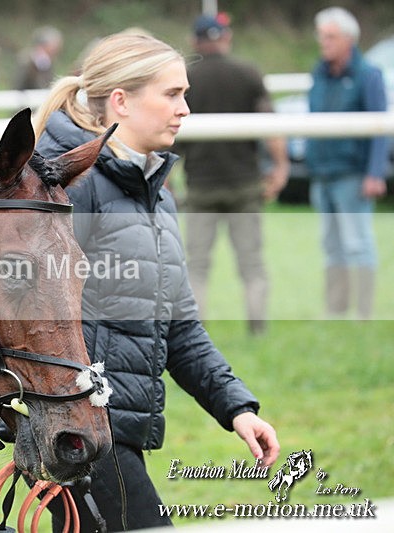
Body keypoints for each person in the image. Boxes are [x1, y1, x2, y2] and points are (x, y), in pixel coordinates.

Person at [32, 32, 280, 531]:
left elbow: (180, 328)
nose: (184, 108)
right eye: (172, 94)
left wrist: (236, 408)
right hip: (82, 433)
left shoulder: (158, 197)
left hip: (114, 430)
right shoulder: (69, 189)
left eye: (184, 94)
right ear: (121, 101)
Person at [177, 13, 290, 335]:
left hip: (200, 186)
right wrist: (281, 167)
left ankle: (195, 334)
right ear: (226, 38)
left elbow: (170, 136)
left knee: (197, 266)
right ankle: (258, 330)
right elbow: (272, 126)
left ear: (194, 41)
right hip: (245, 185)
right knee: (252, 264)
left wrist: (168, 178)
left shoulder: (185, 78)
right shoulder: (248, 73)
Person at [305, 6, 389, 320]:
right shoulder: (319, 72)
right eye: (321, 36)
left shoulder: (369, 76)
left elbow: (382, 128)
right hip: (322, 172)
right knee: (331, 245)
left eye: (330, 36)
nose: (323, 42)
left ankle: (364, 311)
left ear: (348, 39)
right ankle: (336, 308)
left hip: (352, 173)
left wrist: (375, 172)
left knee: (358, 243)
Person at [14, 25, 63, 90]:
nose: (58, 49)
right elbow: (19, 83)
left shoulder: (49, 61)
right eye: (55, 45)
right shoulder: (27, 60)